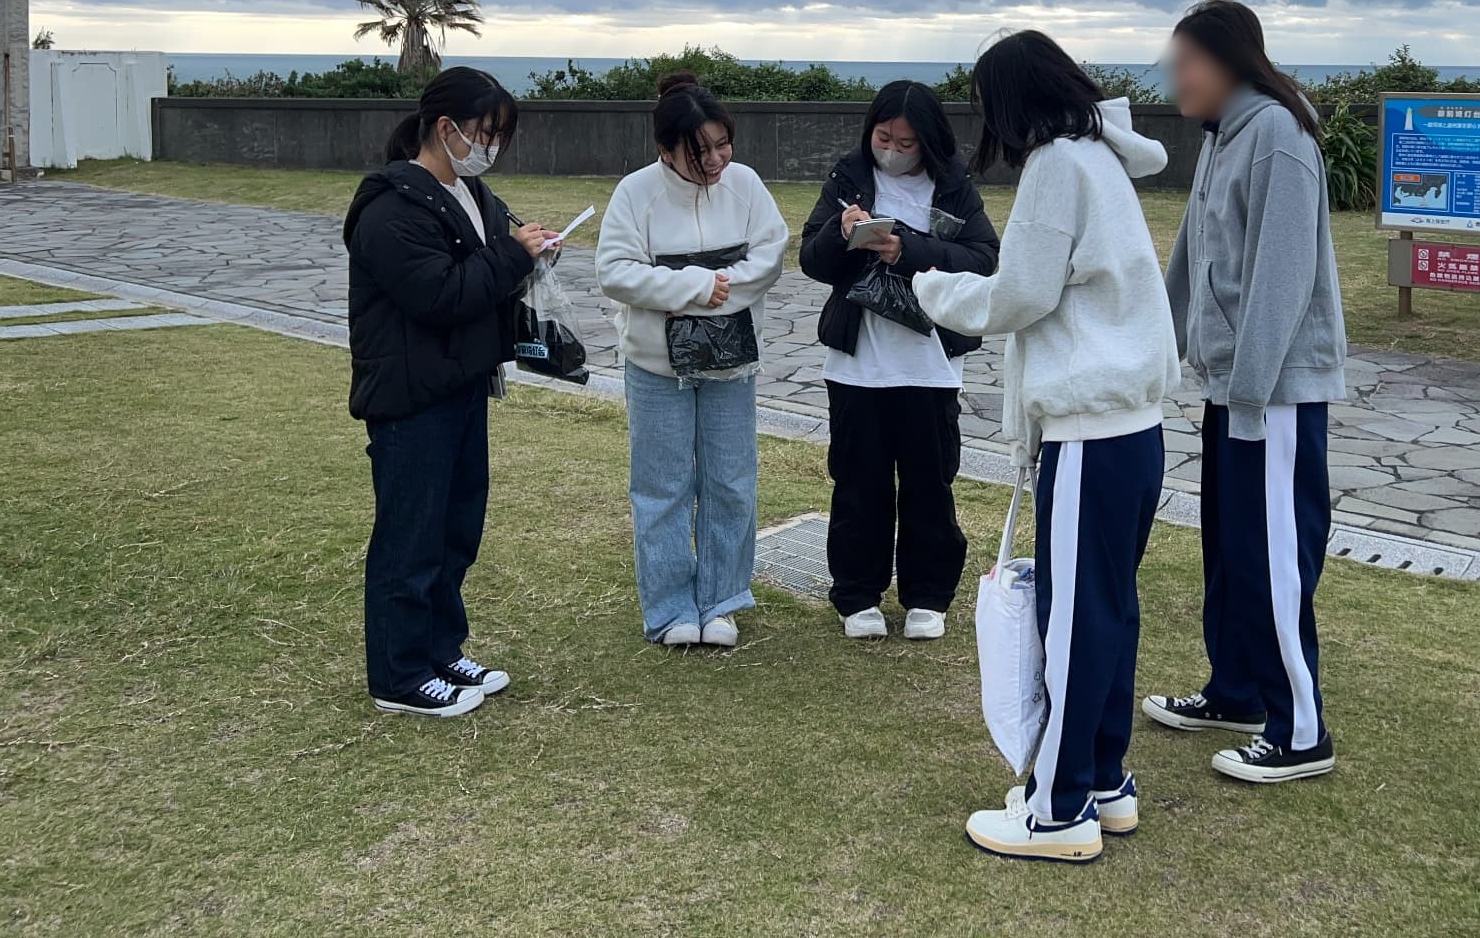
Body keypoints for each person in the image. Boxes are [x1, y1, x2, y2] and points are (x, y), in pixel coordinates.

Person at [913, 31, 1179, 863]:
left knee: (1075, 620)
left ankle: (1059, 809)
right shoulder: (1100, 157)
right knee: (1108, 610)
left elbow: (1020, 294)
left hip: (1089, 429)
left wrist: (929, 284)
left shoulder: (1056, 166)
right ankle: (1103, 780)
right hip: (1132, 427)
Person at [1142, 0, 1348, 785]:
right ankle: (1235, 693)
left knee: (1277, 555)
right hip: (1231, 389)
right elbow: (1190, 263)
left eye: (1184, 62)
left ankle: (1301, 730)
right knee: (1230, 550)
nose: (1174, 78)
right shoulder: (1224, 137)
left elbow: (1282, 279)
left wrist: (1253, 391)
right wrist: (1158, 354)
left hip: (1276, 393)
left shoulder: (1277, 136)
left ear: (1227, 59)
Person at [344, 67, 558, 718]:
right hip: (411, 394)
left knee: (453, 530)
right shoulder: (390, 204)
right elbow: (438, 295)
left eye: (499, 137)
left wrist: (533, 254)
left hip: (463, 382)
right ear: (446, 128)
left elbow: (491, 273)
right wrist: (514, 259)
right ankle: (399, 675)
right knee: (409, 538)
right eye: (484, 133)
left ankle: (440, 648)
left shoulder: (473, 194)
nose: (490, 147)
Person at [800, 81, 1000, 641]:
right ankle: (857, 595)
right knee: (858, 481)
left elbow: (984, 258)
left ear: (929, 142)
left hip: (931, 362)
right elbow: (811, 259)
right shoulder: (849, 175)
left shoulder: (953, 184)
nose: (891, 149)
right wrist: (844, 235)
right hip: (858, 361)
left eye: (906, 142)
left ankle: (927, 595)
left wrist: (906, 247)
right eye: (883, 137)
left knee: (929, 482)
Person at [596, 72, 788, 649]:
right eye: (697, 150)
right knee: (662, 486)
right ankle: (670, 608)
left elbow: (772, 251)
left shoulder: (746, 184)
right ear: (664, 148)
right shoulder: (636, 193)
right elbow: (614, 270)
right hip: (656, 365)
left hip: (731, 362)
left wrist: (722, 286)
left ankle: (721, 600)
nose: (714, 160)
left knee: (730, 480)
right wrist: (695, 287)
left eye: (722, 145)